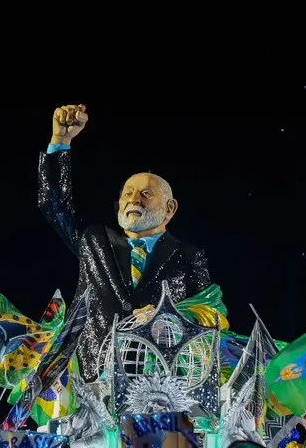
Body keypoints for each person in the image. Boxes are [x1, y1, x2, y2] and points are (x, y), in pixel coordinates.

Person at [38, 104, 213, 380]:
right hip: (92, 374)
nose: (134, 199)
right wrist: (61, 142)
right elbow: (54, 203)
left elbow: (208, 314)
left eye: (146, 194)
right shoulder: (93, 240)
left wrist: (163, 317)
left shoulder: (188, 255)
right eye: (128, 193)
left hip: (157, 383)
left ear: (170, 208)